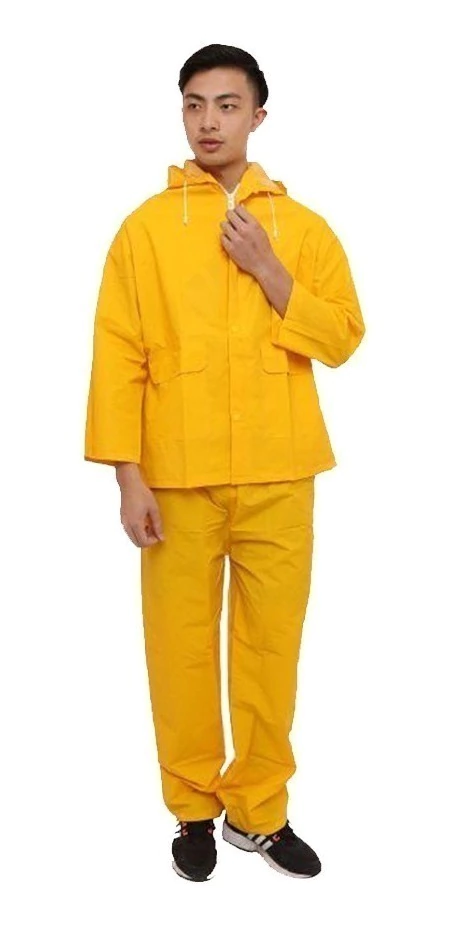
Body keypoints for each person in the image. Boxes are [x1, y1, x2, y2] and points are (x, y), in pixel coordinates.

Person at [84, 43, 366, 882]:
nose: (209, 122)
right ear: (182, 112)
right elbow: (117, 355)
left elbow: (343, 337)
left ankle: (260, 812)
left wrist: (271, 272)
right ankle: (193, 809)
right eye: (195, 104)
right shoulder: (145, 230)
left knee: (271, 650)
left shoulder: (303, 230)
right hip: (176, 477)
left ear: (258, 116)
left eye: (227, 105)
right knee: (179, 649)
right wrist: (127, 475)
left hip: (281, 473)